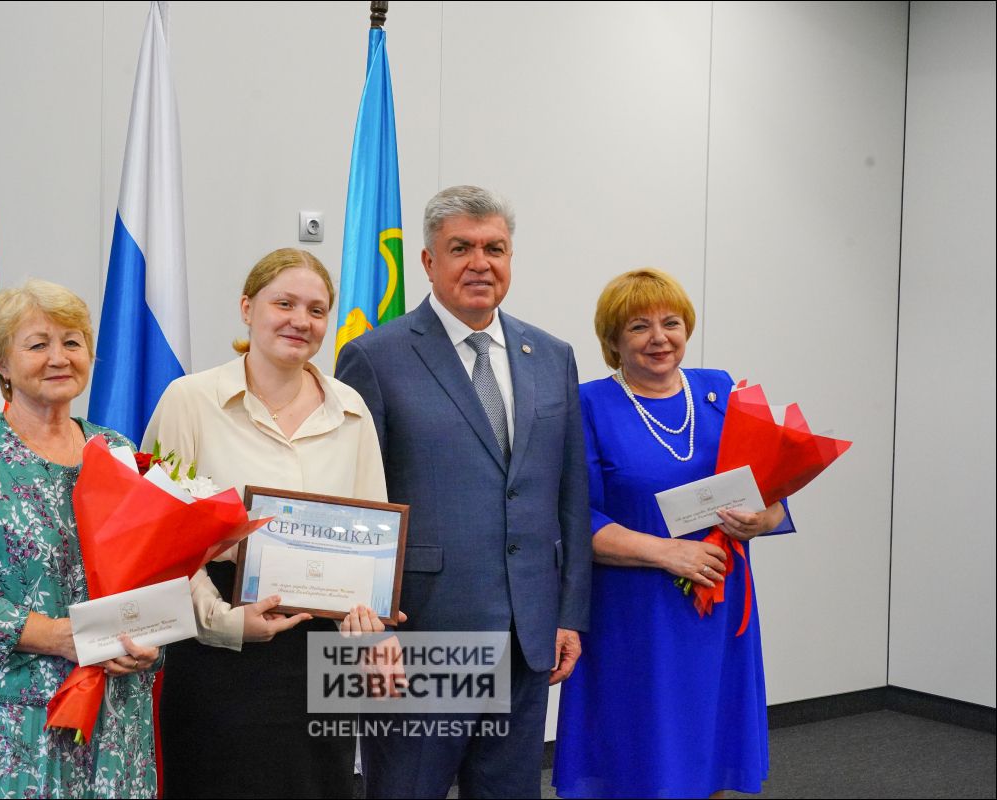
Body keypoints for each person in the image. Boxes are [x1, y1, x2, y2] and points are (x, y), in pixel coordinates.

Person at [335, 185, 592, 798]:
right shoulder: (374, 357)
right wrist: (369, 624)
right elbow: (357, 500)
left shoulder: (551, 355)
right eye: (462, 248)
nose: (481, 262)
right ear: (428, 261)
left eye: (495, 248)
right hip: (421, 634)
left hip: (526, 632)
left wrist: (568, 615)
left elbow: (570, 496)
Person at [142, 247, 389, 799]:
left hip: (324, 646)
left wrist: (366, 614)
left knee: (321, 785)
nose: (301, 321)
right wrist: (225, 623)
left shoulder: (351, 409)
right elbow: (156, 542)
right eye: (285, 303)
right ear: (247, 307)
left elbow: (372, 531)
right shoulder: (191, 401)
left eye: (317, 310)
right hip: (220, 647)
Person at [0, 279, 160, 799]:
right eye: (38, 343)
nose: (59, 357)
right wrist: (54, 635)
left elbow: (150, 573)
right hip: (8, 728)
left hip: (112, 725)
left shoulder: (117, 451)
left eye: (72, 341)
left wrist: (150, 644)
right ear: (1, 362)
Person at [552, 268, 794, 799]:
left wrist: (763, 518)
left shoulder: (720, 390)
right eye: (639, 326)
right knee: (637, 746)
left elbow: (769, 488)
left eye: (672, 323)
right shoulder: (586, 404)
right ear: (613, 340)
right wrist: (667, 554)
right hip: (632, 613)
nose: (659, 337)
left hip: (717, 603)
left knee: (709, 735)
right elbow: (575, 518)